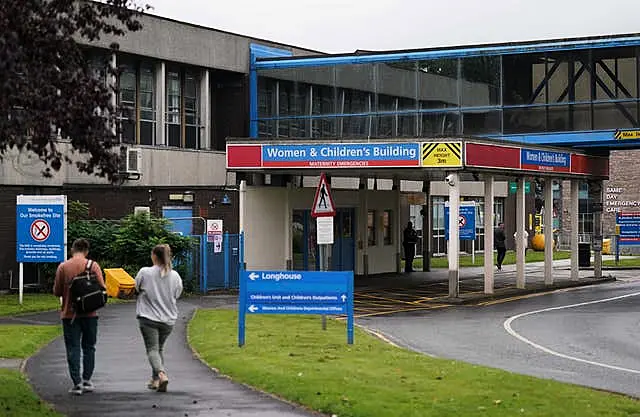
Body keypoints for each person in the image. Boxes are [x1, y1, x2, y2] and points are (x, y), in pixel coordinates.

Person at [53, 238, 105, 395]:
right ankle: (87, 380)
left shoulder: (63, 267)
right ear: (86, 251)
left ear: (72, 250)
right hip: (90, 314)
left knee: (73, 348)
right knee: (89, 347)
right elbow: (102, 288)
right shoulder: (93, 265)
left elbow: (57, 291)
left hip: (69, 315)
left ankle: (76, 384)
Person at [135, 244, 183, 393]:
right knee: (158, 349)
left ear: (154, 256)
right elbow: (177, 294)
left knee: (152, 349)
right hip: (168, 319)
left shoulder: (145, 272)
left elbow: (136, 288)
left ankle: (161, 375)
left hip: (148, 317)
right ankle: (155, 380)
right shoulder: (175, 275)